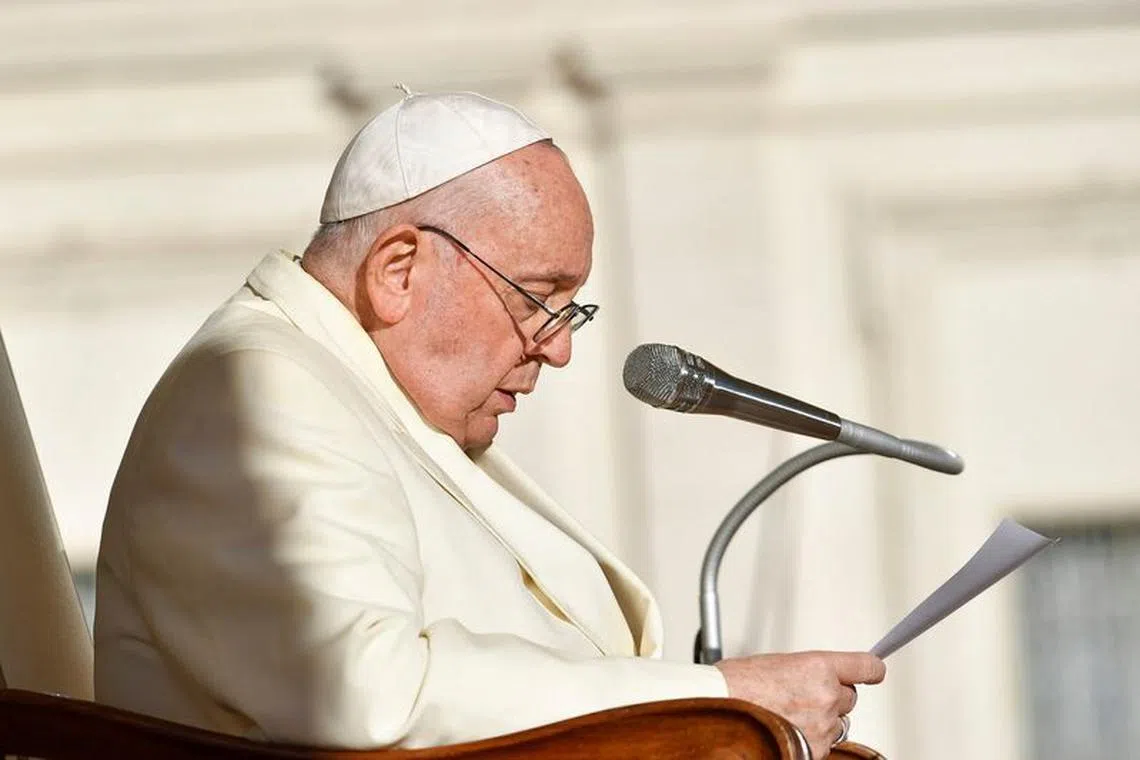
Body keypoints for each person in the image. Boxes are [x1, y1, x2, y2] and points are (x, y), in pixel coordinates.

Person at [93, 89, 884, 759]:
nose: (562, 346)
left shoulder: (365, 393)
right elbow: (367, 695)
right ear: (397, 271)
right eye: (540, 297)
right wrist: (721, 701)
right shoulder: (254, 384)